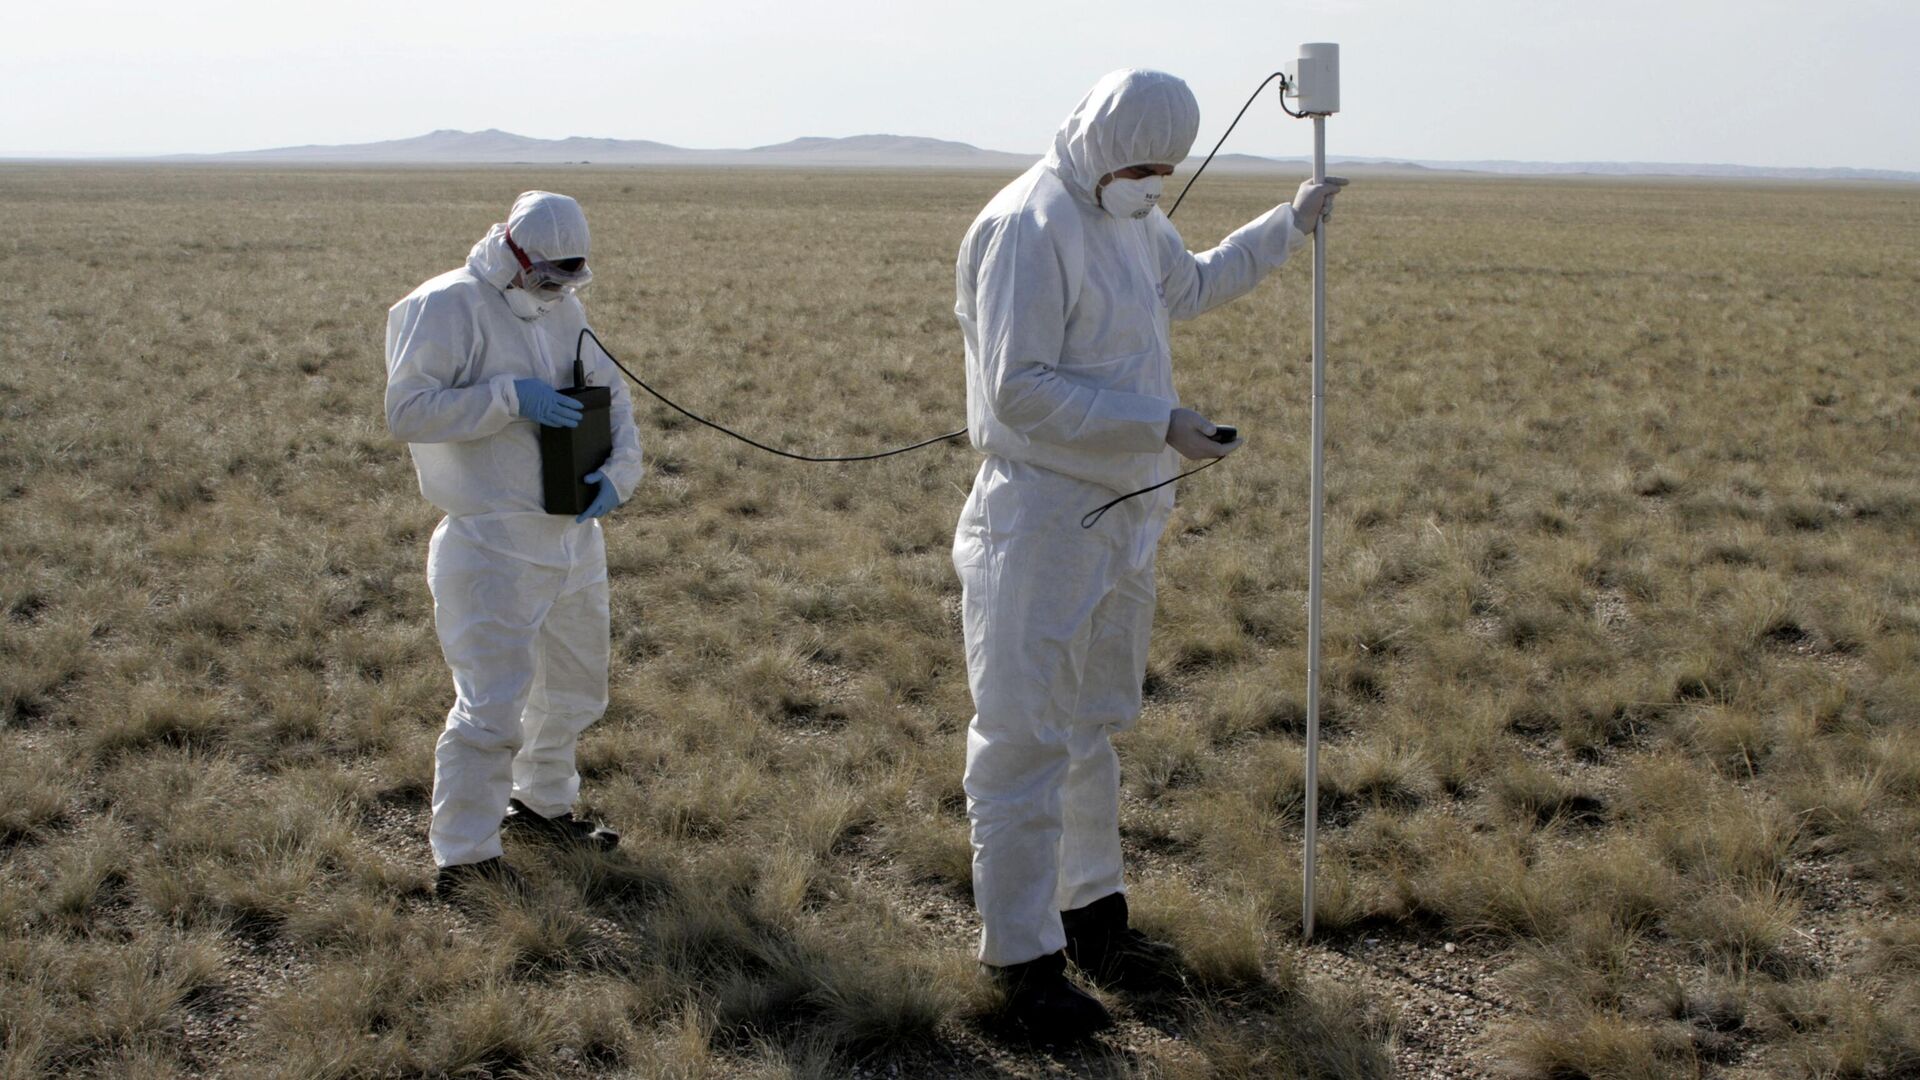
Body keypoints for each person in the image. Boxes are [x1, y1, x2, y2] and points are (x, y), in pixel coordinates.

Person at [951, 69, 1346, 1034]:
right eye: (1138, 165)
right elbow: (1020, 392)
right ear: (1093, 137)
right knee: (1023, 740)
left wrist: (1285, 227)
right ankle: (1021, 961)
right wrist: (1157, 418)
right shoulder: (1028, 228)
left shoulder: (1134, 219)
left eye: (1164, 169)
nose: (1152, 181)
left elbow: (1192, 284)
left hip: (1128, 511)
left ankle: (1093, 913)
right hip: (1041, 519)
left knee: (1092, 723)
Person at [384, 190, 645, 900]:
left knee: (572, 688)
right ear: (513, 252)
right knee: (492, 702)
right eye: (548, 276)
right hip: (492, 542)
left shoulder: (566, 307)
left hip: (571, 533)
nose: (557, 291)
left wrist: (621, 472)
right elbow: (406, 410)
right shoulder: (445, 306)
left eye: (570, 278)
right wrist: (509, 397)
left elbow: (612, 396)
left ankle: (542, 807)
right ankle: (465, 856)